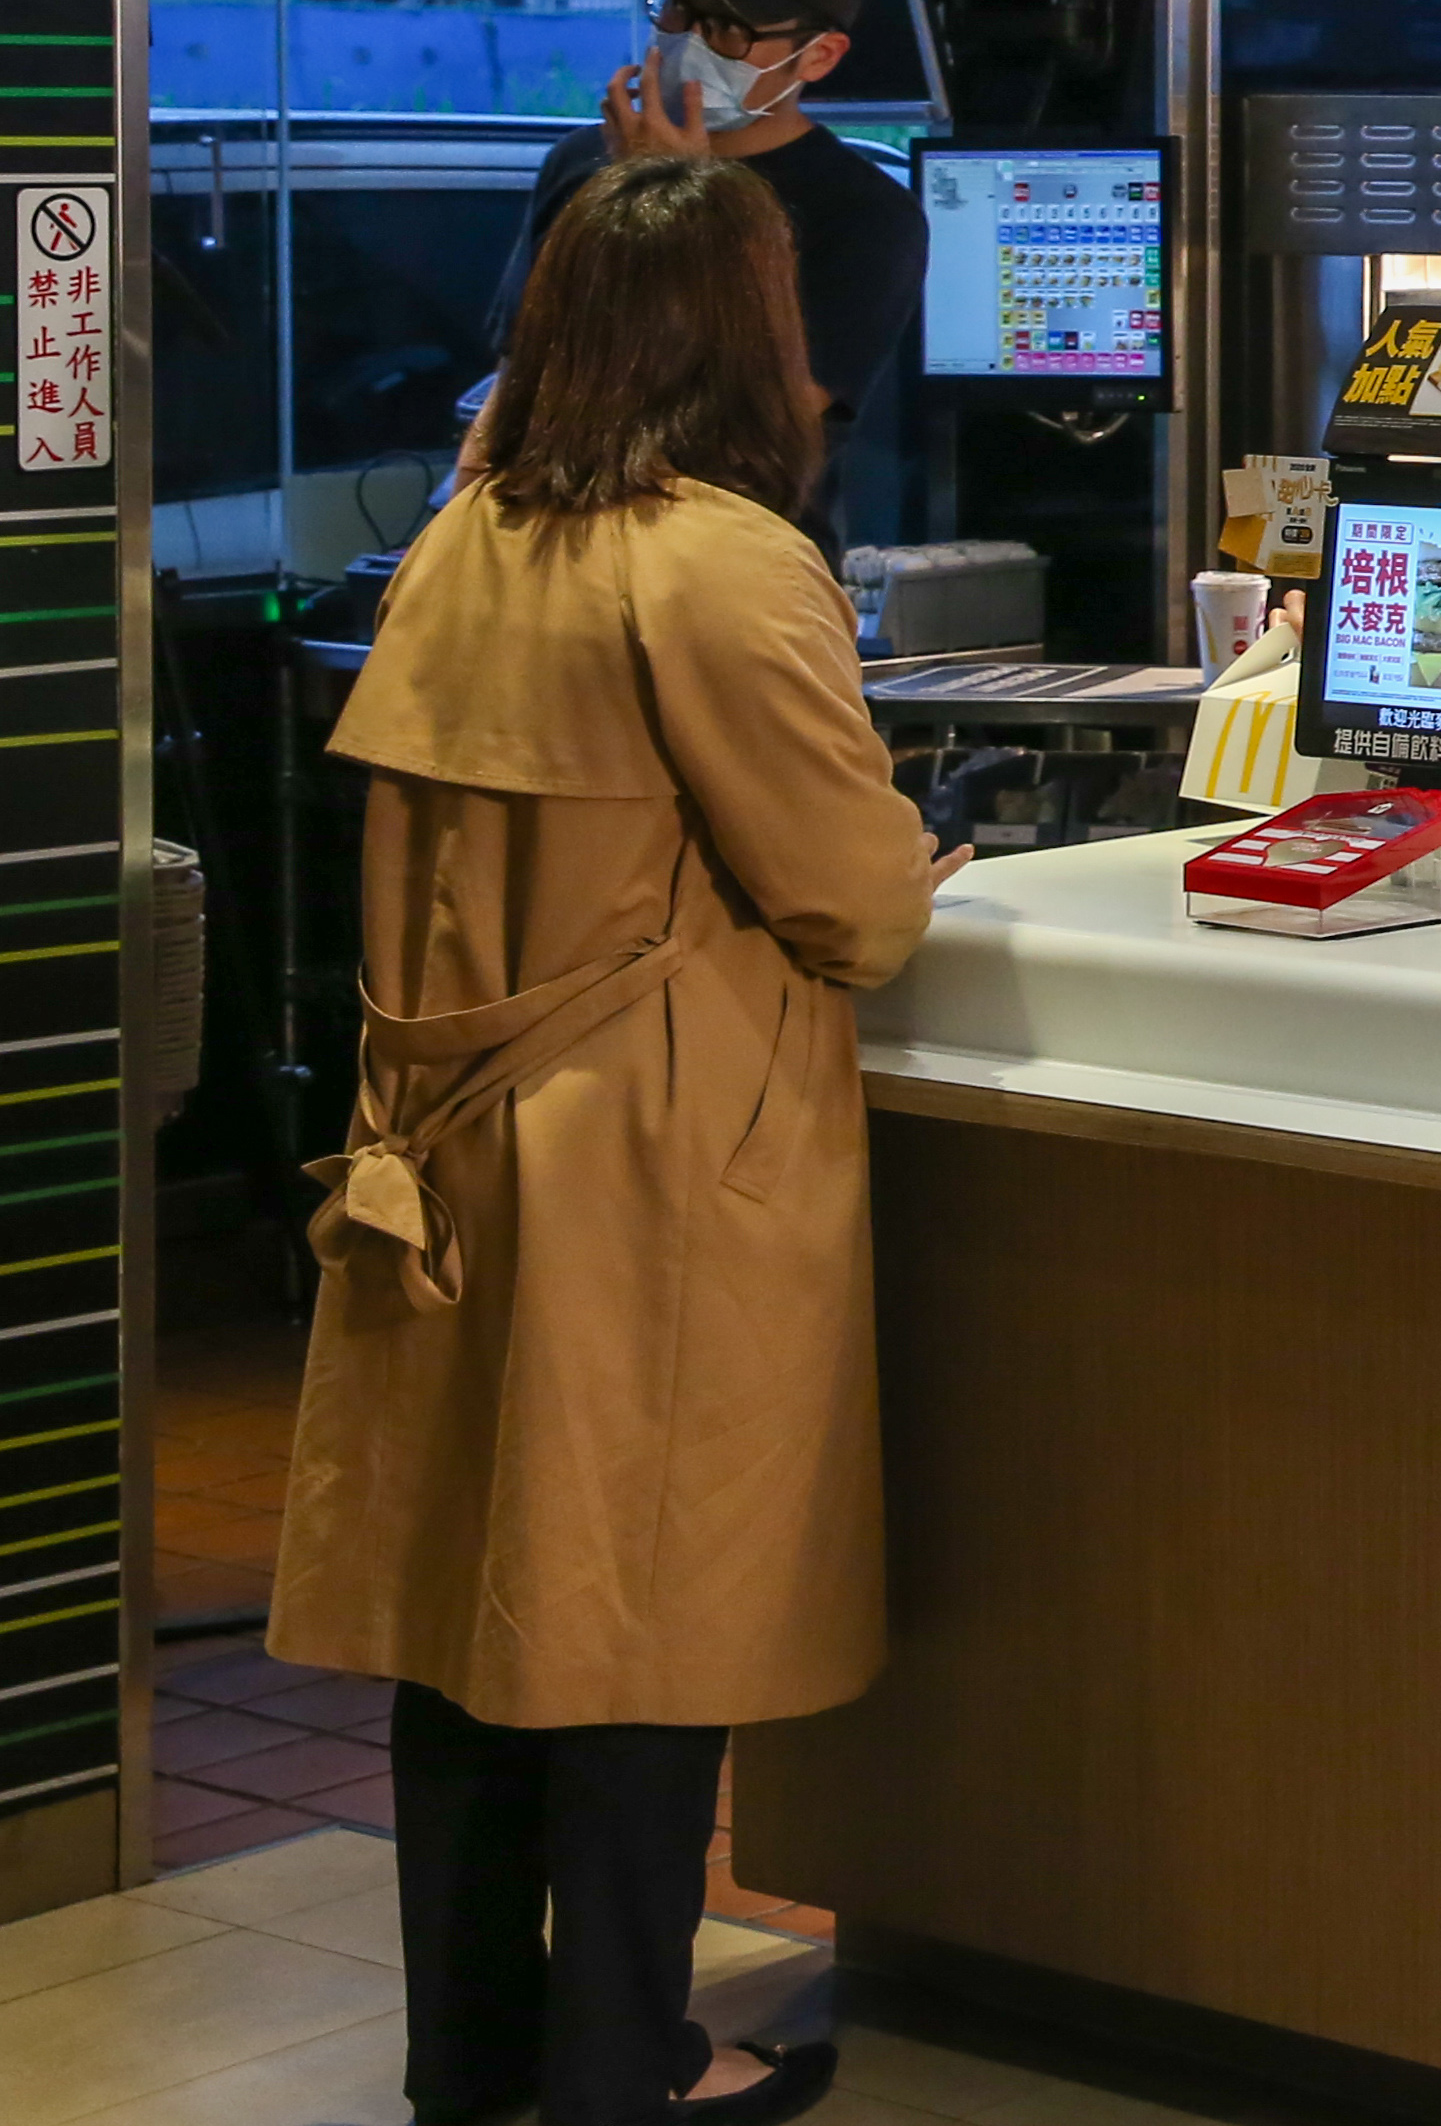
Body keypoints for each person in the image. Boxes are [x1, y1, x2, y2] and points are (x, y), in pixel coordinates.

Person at [280, 157, 952, 2126]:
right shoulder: (726, 560)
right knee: (643, 1638)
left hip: (447, 1148)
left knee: (470, 1627)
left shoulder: (466, 539)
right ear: (747, 333)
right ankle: (619, 2069)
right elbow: (860, 905)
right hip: (653, 1160)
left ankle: (470, 2065)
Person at [483, 0, 927, 555]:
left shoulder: (866, 215)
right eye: (678, 3)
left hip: (731, 570)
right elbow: (520, 383)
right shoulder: (582, 161)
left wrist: (671, 198)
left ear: (819, 56)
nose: (689, 39)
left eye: (727, 28)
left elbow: (744, 436)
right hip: (553, 554)